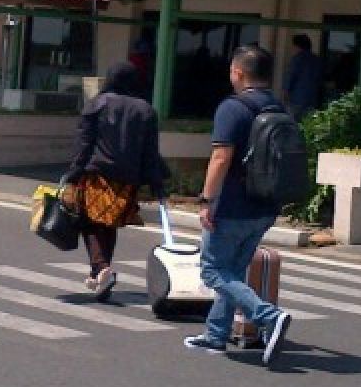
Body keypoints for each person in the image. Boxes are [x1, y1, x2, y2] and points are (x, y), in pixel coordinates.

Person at [185, 44, 292, 367]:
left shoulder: (233, 108)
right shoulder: (279, 108)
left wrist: (206, 200)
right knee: (232, 271)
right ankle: (215, 335)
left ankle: (269, 316)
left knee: (213, 270)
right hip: (265, 206)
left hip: (233, 205)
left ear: (238, 72)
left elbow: (221, 156)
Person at [60, 62, 166, 301]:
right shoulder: (146, 109)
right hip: (128, 179)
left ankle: (100, 267)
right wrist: (156, 181)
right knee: (108, 223)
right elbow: (150, 151)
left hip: (97, 174)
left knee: (89, 221)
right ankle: (100, 272)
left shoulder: (97, 104)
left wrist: (74, 172)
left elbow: (84, 143)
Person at [282, 33, 322, 121]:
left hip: (296, 100)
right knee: (308, 127)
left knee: (292, 126)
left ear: (297, 46)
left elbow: (290, 77)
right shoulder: (317, 60)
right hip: (312, 100)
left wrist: (285, 93)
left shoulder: (297, 59)